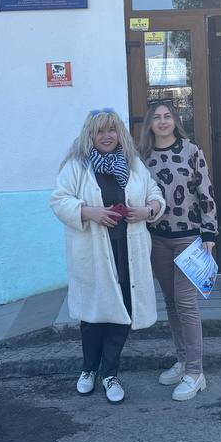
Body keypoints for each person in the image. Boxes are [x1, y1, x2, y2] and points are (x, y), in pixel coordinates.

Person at [50, 108, 165, 404]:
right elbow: (59, 200)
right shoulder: (77, 166)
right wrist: (90, 212)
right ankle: (88, 369)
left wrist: (148, 210)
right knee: (93, 314)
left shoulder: (133, 164)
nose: (106, 136)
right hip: (93, 252)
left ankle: (110, 374)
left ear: (119, 133)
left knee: (122, 310)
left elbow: (155, 194)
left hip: (128, 250)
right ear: (89, 135)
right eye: (99, 131)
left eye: (111, 130)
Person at [140, 100, 218, 401]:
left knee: (186, 303)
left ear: (175, 120)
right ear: (150, 123)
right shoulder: (142, 156)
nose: (162, 121)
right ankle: (183, 360)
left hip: (189, 237)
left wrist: (209, 231)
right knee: (171, 303)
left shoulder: (191, 150)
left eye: (167, 116)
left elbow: (205, 191)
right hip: (157, 238)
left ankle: (196, 372)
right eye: (157, 117)